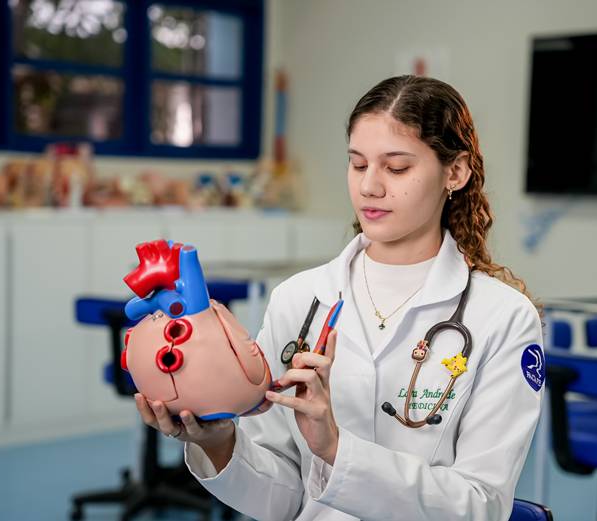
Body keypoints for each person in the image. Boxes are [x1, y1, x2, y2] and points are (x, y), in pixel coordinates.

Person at [135, 75, 544, 521]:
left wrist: (334, 448)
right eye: (357, 164)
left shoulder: (503, 317)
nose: (369, 186)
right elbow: (282, 500)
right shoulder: (299, 299)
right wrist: (217, 442)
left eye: (396, 168)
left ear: (456, 172)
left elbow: (481, 505)